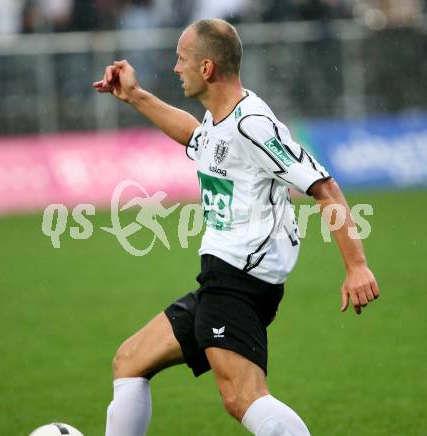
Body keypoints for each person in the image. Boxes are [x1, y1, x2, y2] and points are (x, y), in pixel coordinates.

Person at [93, 18, 380, 436]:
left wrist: (356, 266)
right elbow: (195, 137)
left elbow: (324, 186)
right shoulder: (219, 119)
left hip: (239, 282)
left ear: (206, 68)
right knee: (130, 361)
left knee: (243, 397)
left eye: (182, 59)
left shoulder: (253, 125)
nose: (176, 68)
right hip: (222, 279)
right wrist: (135, 96)